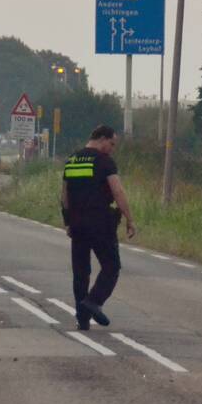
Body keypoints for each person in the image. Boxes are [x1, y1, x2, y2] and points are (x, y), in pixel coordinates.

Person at [61, 125, 136, 330]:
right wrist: (130, 218)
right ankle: (93, 302)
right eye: (111, 144)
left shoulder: (72, 160)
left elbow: (65, 195)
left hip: (77, 224)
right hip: (100, 223)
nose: (112, 149)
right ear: (102, 138)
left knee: (81, 271)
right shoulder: (104, 162)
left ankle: (82, 318)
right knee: (111, 267)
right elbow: (118, 191)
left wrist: (67, 221)